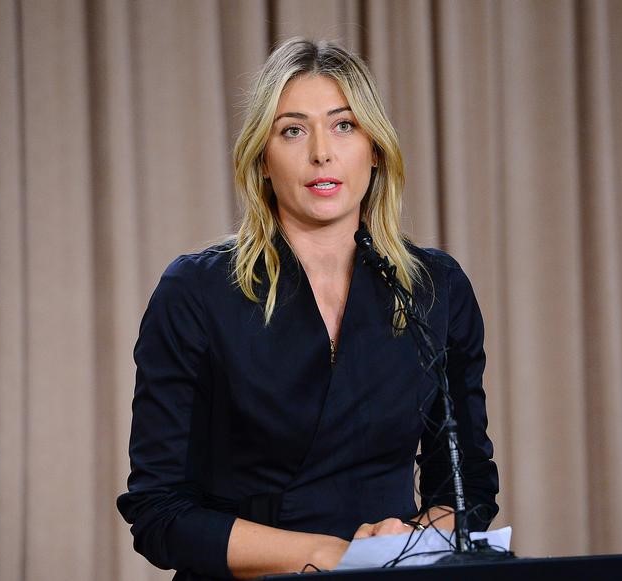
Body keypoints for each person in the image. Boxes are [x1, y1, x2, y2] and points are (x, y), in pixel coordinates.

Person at [117, 38, 499, 580]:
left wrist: (414, 537)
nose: (322, 152)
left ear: (374, 147)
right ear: (262, 159)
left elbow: (468, 486)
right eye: (293, 130)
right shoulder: (196, 291)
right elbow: (159, 515)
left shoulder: (436, 287)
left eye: (344, 125)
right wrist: (330, 555)